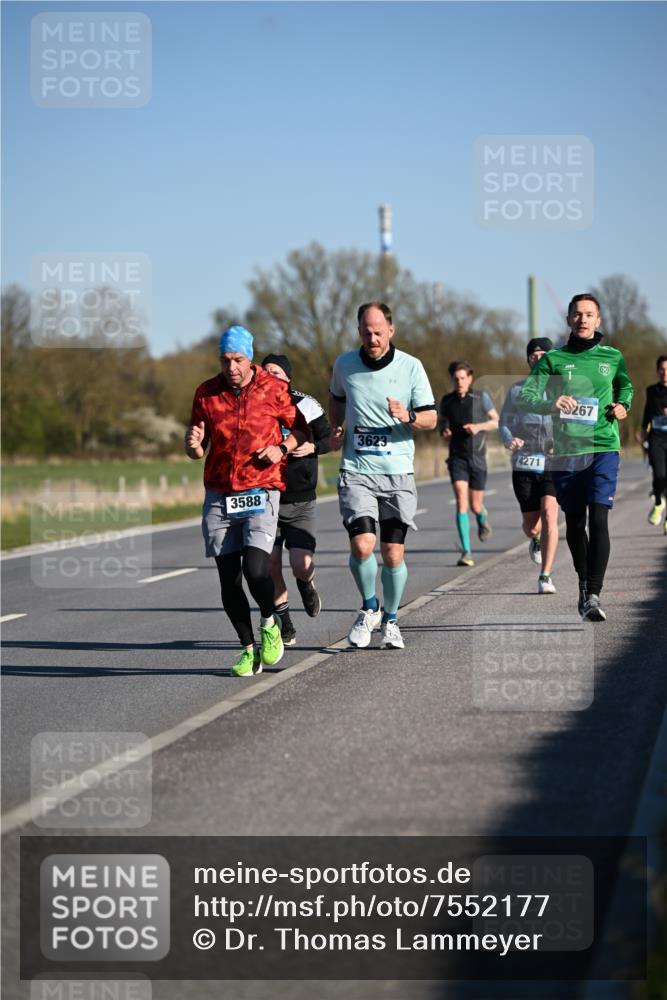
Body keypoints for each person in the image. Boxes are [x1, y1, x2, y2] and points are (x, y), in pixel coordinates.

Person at [185, 326, 308, 676]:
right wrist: (192, 446)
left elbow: (301, 431)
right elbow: (196, 447)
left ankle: (269, 622)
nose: (231, 367)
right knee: (228, 578)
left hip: (261, 489)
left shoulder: (274, 389)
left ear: (250, 357)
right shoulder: (206, 393)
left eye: (237, 360)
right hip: (219, 494)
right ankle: (247, 649)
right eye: (225, 361)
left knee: (256, 568)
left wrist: (281, 447)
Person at [329, 302, 437, 650]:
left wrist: (407, 415)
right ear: (358, 332)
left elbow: (431, 419)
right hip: (357, 469)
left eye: (378, 332)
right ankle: (369, 607)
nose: (372, 338)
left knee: (392, 554)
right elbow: (336, 398)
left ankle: (390, 620)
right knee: (363, 544)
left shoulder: (411, 367)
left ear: (391, 329)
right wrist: (335, 427)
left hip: (397, 473)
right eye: (366, 332)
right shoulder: (345, 365)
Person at [518, 294, 633, 622]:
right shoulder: (553, 360)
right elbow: (527, 397)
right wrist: (551, 404)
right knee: (575, 522)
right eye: (577, 314)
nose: (583, 319)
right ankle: (584, 586)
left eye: (589, 314)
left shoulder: (613, 357)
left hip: (603, 447)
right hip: (568, 452)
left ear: (598, 320)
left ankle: (593, 594)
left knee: (599, 519)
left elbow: (625, 387)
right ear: (569, 320)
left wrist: (623, 405)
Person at [261, 353, 330, 644]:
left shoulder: (306, 404)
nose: (270, 376)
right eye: (265, 372)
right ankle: (285, 624)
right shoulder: (255, 406)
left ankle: (306, 583)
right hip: (268, 497)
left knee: (300, 563)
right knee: (270, 565)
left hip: (301, 499)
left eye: (276, 372)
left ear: (288, 378)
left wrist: (312, 447)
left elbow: (331, 438)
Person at [499, 337, 559, 594]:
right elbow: (504, 423)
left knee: (549, 514)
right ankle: (535, 539)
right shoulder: (516, 391)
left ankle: (545, 576)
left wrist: (563, 441)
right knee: (532, 525)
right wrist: (510, 439)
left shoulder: (559, 389)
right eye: (533, 354)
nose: (537, 357)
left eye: (543, 354)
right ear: (528, 359)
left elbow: (571, 420)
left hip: (552, 462)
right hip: (524, 462)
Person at [438, 362, 499, 567]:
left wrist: (477, 426)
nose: (459, 382)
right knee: (461, 502)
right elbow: (442, 422)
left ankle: (481, 517)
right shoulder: (447, 401)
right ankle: (467, 552)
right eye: (456, 378)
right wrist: (444, 431)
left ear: (470, 378)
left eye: (463, 378)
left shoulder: (480, 398)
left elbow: (496, 421)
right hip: (457, 458)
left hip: (477, 457)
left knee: (474, 505)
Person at [640, 354, 667, 533]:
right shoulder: (651, 391)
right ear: (657, 371)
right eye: (662, 369)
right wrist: (643, 431)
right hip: (656, 439)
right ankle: (658, 502)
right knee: (658, 475)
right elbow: (647, 413)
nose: (665, 373)